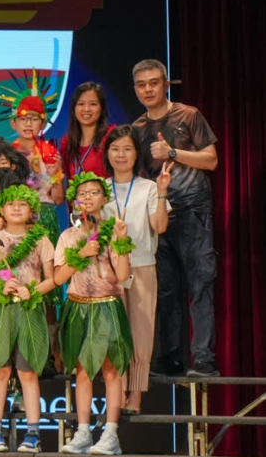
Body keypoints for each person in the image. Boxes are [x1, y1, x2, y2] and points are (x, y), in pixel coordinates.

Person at [130, 59, 220, 377]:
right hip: (159, 214)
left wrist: (172, 153)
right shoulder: (137, 128)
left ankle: (204, 359)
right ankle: (170, 359)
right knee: (166, 291)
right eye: (142, 84)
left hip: (193, 209)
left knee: (200, 283)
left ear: (166, 84)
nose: (148, 89)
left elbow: (211, 160)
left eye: (154, 82)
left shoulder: (189, 115)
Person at [55, 172, 135, 456]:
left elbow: (123, 276)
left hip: (107, 305)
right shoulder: (68, 236)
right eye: (82, 193)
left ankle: (111, 434)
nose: (87, 198)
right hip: (78, 306)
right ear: (75, 200)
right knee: (83, 371)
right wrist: (82, 253)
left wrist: (121, 242)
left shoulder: (113, 232)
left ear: (104, 199)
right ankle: (83, 432)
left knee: (111, 370)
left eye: (94, 193)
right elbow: (58, 278)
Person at [0, 184, 56, 454]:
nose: (17, 208)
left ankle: (33, 434)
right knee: (0, 371)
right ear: (2, 210)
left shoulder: (41, 239)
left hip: (30, 309)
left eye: (23, 204)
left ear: (32, 209)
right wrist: (0, 287)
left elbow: (52, 279)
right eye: (11, 204)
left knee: (28, 373)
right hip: (1, 310)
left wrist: (33, 291)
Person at [102, 126, 170, 413]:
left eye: (127, 149)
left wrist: (163, 192)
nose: (121, 155)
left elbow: (160, 226)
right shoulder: (99, 188)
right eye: (115, 149)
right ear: (107, 153)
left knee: (141, 331)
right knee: (114, 332)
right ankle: (116, 391)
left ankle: (136, 395)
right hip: (108, 270)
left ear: (136, 153)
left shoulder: (149, 187)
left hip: (141, 265)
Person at [0, 69, 65, 241]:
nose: (28, 124)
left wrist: (55, 177)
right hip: (15, 219)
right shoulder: (7, 154)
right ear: (13, 123)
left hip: (44, 218)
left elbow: (59, 200)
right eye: (23, 119)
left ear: (43, 123)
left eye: (34, 119)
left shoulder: (50, 153)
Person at [60, 82, 113, 187]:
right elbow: (70, 184)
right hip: (78, 198)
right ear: (74, 108)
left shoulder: (111, 137)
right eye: (81, 104)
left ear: (102, 108)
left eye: (93, 104)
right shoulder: (67, 142)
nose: (86, 109)